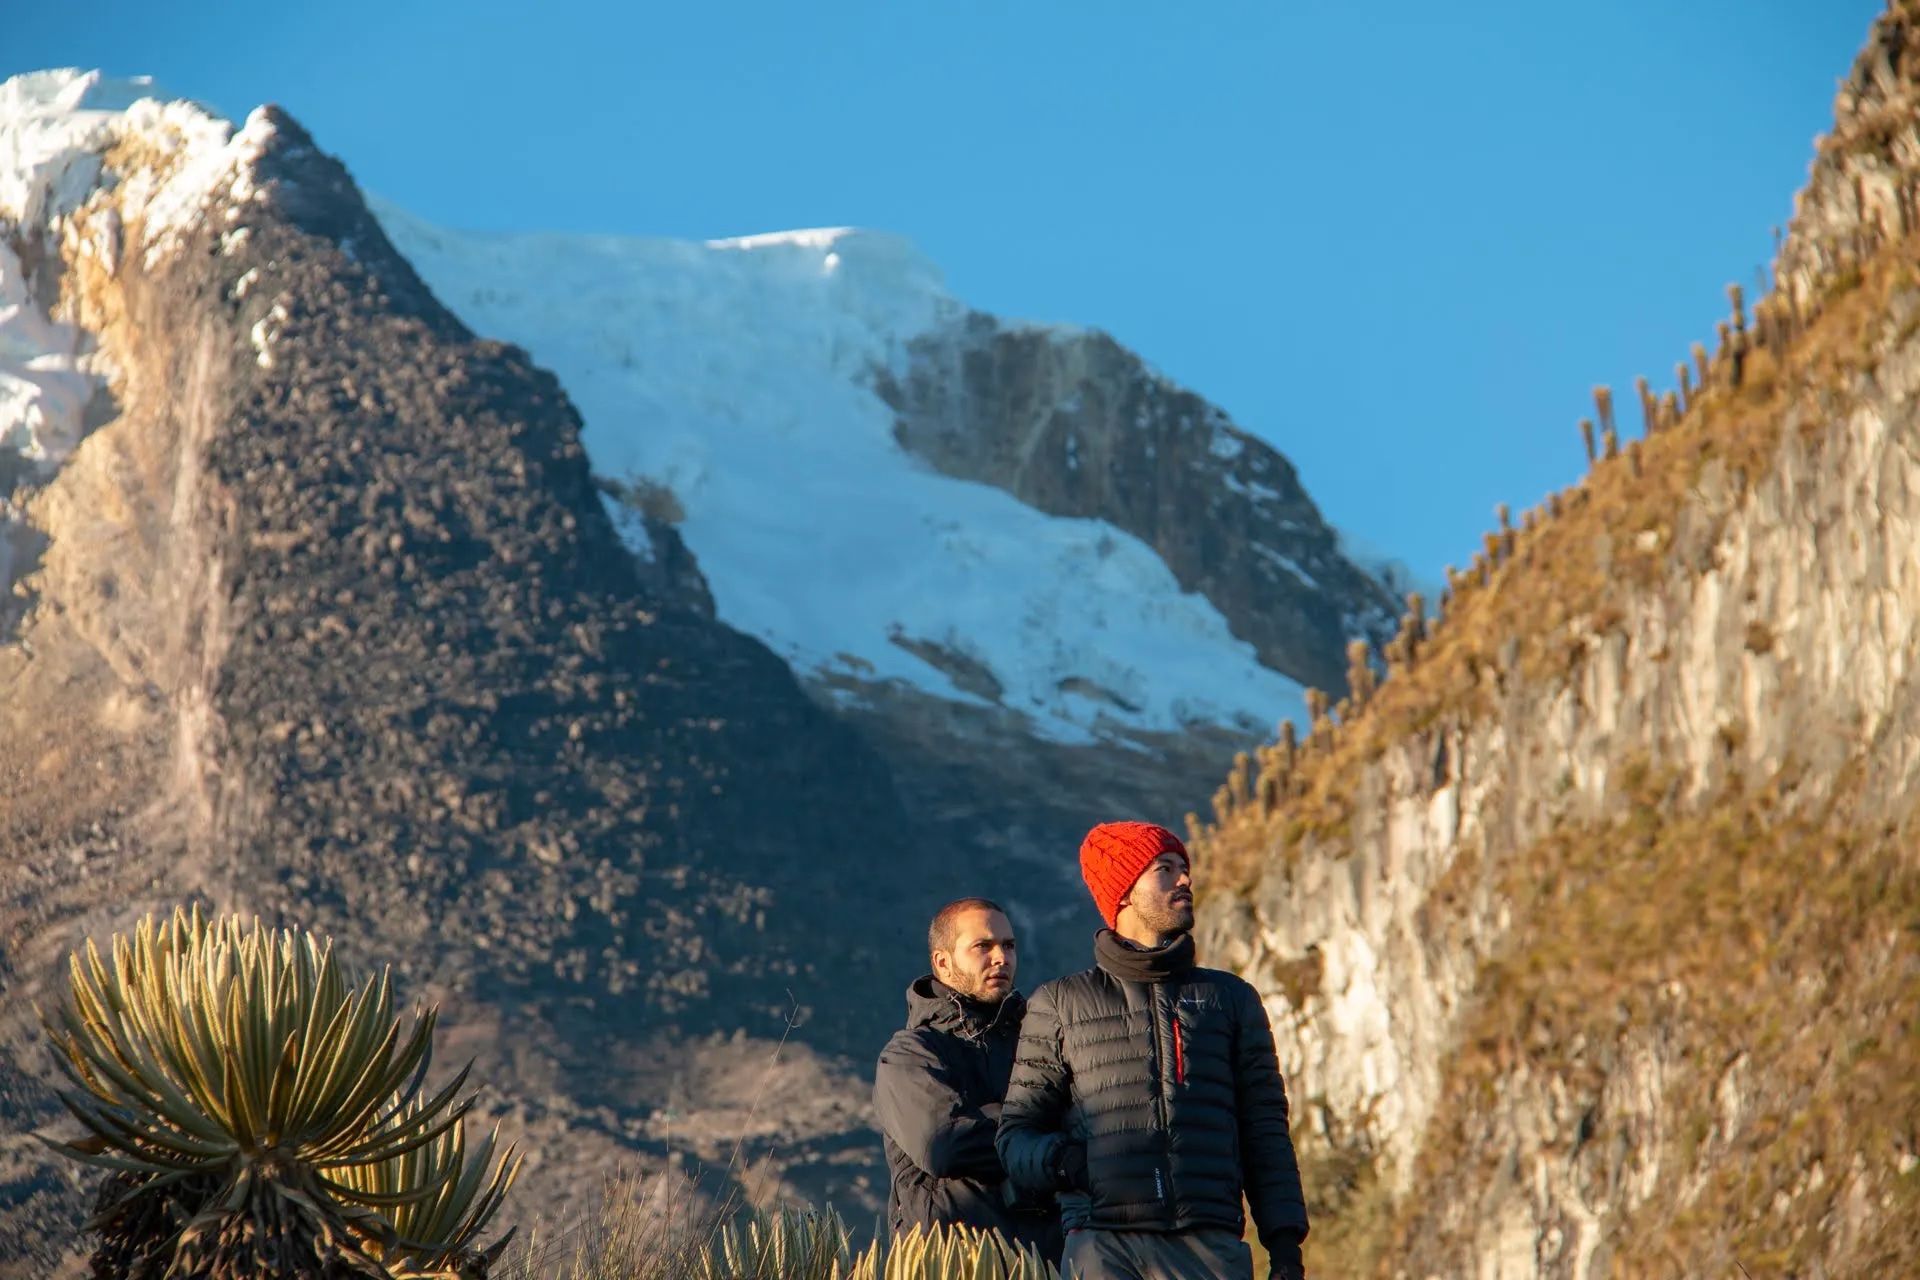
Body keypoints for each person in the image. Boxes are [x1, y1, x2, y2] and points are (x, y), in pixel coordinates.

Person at [996, 822, 1310, 1280]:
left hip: (1211, 1250)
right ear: (1122, 892)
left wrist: (1285, 1246)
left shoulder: (1231, 999)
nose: (1185, 880)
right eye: (1165, 869)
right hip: (1101, 1247)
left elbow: (1265, 1131)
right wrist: (1072, 1164)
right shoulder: (1060, 1004)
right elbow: (1015, 1137)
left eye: (1185, 868)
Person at [873, 897, 1064, 1262]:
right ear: (942, 962)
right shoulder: (910, 1055)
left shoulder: (1040, 1042)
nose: (1001, 958)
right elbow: (943, 1146)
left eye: (1008, 945)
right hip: (949, 1261)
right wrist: (1041, 1136)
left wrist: (993, 1117)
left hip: (1042, 1261)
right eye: (983, 946)